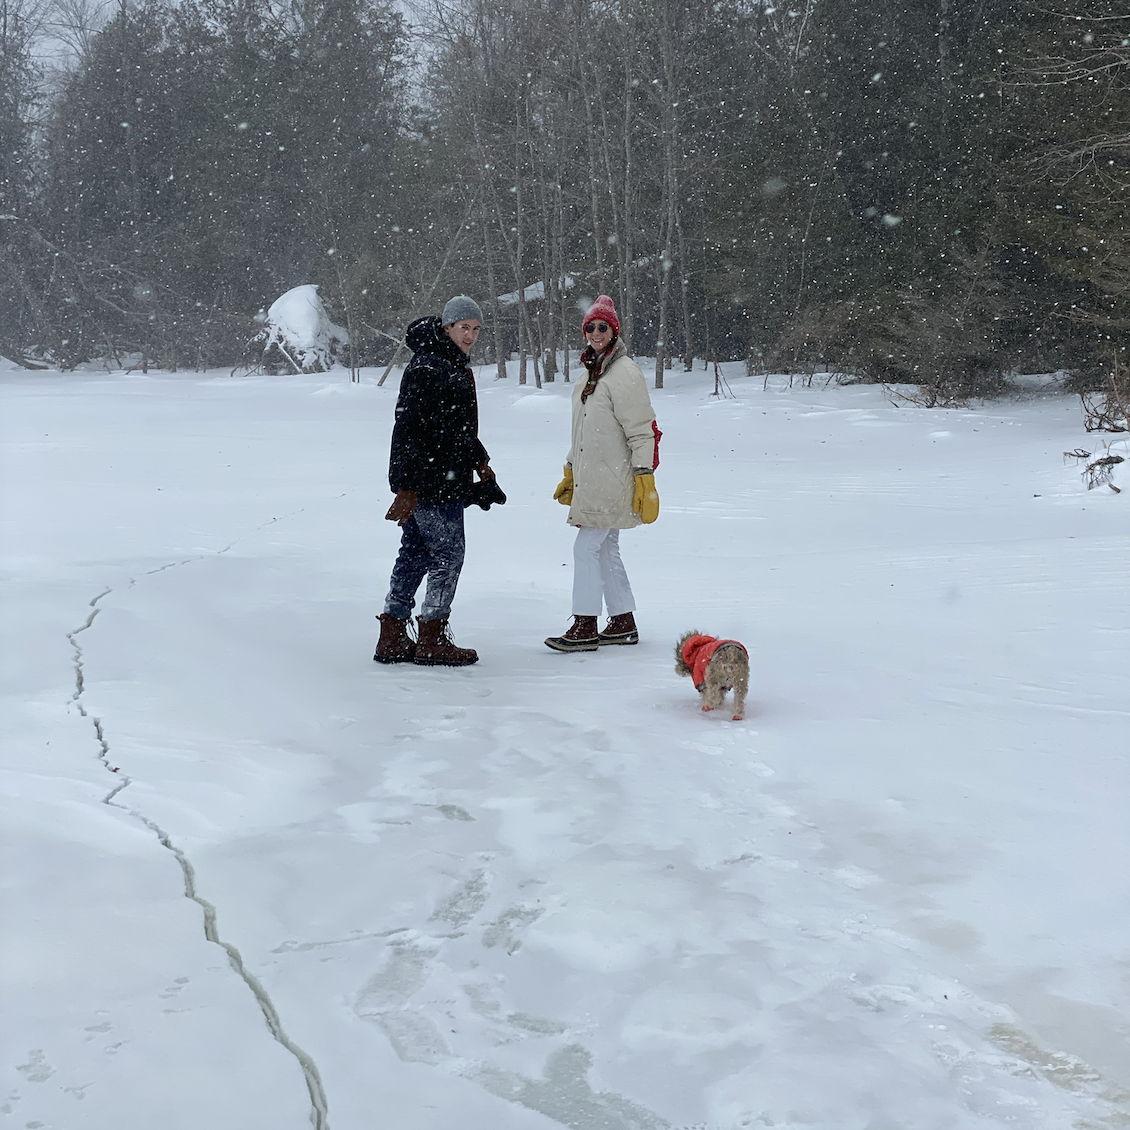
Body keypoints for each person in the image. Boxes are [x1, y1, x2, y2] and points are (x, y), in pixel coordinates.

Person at [375, 295, 495, 667]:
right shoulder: (429, 366)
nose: (470, 335)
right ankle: (432, 635)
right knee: (448, 554)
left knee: (415, 552)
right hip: (432, 481)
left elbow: (458, 428)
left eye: (476, 329)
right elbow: (408, 429)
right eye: (464, 327)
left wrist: (481, 463)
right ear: (447, 327)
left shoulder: (451, 363)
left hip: (441, 477)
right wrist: (407, 486)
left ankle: (393, 634)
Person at [545, 295, 660, 653]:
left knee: (585, 547)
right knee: (607, 548)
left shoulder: (624, 373)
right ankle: (623, 621)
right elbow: (582, 432)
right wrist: (570, 469)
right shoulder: (590, 374)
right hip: (591, 478)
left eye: (602, 327)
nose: (596, 333)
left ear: (614, 331)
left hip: (614, 478)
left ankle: (584, 624)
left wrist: (644, 477)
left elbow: (641, 430)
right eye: (590, 327)